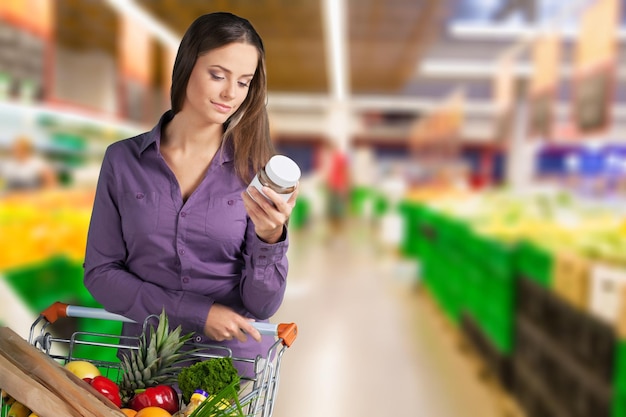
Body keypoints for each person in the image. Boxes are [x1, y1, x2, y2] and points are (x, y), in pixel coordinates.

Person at [83, 12, 298, 375]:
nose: (231, 93)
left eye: (244, 83)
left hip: (227, 368)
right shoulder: (123, 161)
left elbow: (262, 306)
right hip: (144, 367)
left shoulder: (254, 172)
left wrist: (270, 237)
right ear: (186, 66)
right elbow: (101, 273)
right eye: (218, 75)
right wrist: (197, 313)